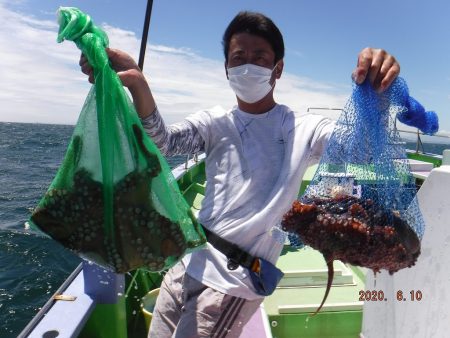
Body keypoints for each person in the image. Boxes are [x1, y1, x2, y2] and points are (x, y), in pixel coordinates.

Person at [81, 11, 400, 338]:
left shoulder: (303, 128)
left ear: (278, 69)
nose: (248, 65)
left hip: (235, 280)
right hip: (187, 259)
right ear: (227, 69)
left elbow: (362, 149)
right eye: (239, 57)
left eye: (260, 57)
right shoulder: (214, 122)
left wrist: (376, 98)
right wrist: (137, 83)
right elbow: (161, 143)